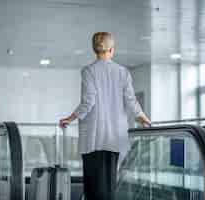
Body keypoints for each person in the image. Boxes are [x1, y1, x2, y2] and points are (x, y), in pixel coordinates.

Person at [59, 32, 151, 200]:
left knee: (93, 188)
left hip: (94, 139)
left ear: (95, 49)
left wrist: (70, 118)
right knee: (109, 185)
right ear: (111, 49)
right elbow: (131, 100)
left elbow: (89, 101)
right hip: (114, 137)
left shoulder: (89, 71)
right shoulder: (123, 72)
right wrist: (141, 116)